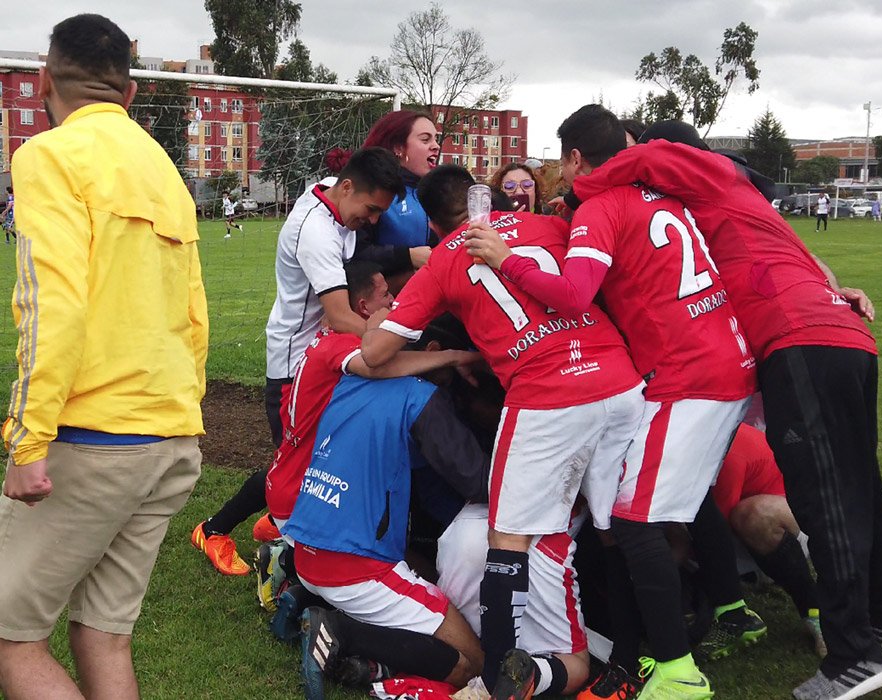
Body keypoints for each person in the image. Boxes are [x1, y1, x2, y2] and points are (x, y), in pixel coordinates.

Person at [584, 124, 882, 700]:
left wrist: (582, 182)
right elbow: (813, 269)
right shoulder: (736, 207)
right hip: (837, 334)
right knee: (860, 486)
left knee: (823, 496)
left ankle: (855, 652)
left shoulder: (706, 174)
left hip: (798, 338)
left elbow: (649, 156)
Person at [465, 106, 758, 700]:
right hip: (724, 358)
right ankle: (680, 633)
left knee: (631, 518)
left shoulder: (602, 205)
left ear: (574, 159)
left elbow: (574, 295)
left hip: (690, 374)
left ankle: (676, 671)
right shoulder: (659, 192)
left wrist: (505, 259)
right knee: (667, 505)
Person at [362, 164, 647, 697]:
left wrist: (374, 331)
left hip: (548, 394)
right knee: (619, 527)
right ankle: (635, 655)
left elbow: (375, 353)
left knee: (505, 539)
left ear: (430, 221)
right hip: (620, 381)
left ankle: (497, 679)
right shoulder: (549, 228)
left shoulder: (445, 260)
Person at [0, 14, 207, 700]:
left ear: (40, 80)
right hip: (170, 433)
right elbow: (193, 313)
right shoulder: (162, 166)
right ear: (131, 91)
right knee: (103, 630)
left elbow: (51, 304)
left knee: (9, 635)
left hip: (95, 440)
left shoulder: (48, 155)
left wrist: (28, 442)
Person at [192, 148, 405, 576]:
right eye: (371, 209)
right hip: (296, 364)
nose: (373, 219)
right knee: (293, 465)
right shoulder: (317, 232)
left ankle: (278, 522)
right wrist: (402, 335)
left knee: (315, 459)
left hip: (322, 356)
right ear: (347, 188)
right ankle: (213, 529)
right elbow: (343, 316)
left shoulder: (330, 199)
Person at [280, 323, 492, 699]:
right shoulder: (421, 397)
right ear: (434, 350)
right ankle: (340, 631)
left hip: (307, 551)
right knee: (473, 660)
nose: (465, 384)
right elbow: (476, 481)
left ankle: (310, 602)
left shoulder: (347, 385)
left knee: (426, 570)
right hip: (352, 568)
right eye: (466, 375)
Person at [437, 502, 591, 696]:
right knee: (577, 665)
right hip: (533, 541)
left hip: (465, 528)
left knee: (468, 634)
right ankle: (527, 674)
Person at [712, 422, 826, 657]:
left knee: (753, 515)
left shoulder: (726, 448)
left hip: (786, 529)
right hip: (738, 537)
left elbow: (713, 534)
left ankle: (815, 611)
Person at [353, 110, 440, 280]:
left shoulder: (435, 192)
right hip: (385, 300)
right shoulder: (371, 191)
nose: (435, 145)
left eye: (436, 138)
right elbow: (355, 252)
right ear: (398, 148)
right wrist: (407, 256)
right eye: (425, 139)